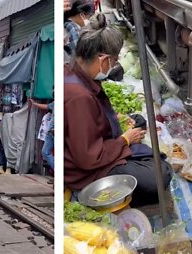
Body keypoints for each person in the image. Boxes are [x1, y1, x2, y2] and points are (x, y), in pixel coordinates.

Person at [64, 13, 172, 207]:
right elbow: (89, 158)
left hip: (99, 146)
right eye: (114, 61)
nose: (114, 65)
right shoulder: (79, 97)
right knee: (158, 175)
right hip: (87, 171)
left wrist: (118, 117)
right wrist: (125, 139)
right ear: (103, 59)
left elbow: (89, 121)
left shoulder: (74, 72)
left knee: (139, 122)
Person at [30, 91, 55, 171]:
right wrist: (35, 104)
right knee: (45, 152)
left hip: (55, 131)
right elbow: (47, 106)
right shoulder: (55, 103)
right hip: (50, 132)